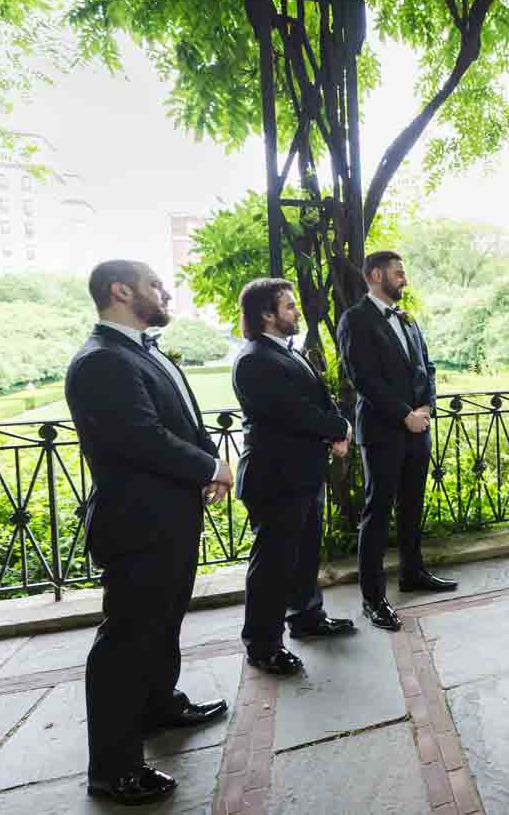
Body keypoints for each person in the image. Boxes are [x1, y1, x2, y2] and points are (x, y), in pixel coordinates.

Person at [65, 261, 231, 805]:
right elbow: (142, 437)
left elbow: (181, 420)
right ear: (121, 291)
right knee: (126, 644)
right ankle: (113, 770)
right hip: (139, 523)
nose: (165, 292)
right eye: (156, 285)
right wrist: (211, 468)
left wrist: (206, 457)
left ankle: (161, 706)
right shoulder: (101, 361)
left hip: (170, 517)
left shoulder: (141, 349)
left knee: (163, 624)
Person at [233, 279, 357, 676]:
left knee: (304, 555)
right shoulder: (254, 359)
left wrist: (335, 428)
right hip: (275, 476)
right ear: (266, 315)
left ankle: (306, 617)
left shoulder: (285, 352)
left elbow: (314, 401)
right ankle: (263, 645)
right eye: (289, 306)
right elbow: (293, 412)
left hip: (302, 472)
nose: (297, 310)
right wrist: (338, 428)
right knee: (273, 565)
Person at [337, 251, 457, 632]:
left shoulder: (408, 318)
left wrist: (427, 408)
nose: (404, 278)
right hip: (384, 431)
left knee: (412, 505)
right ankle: (373, 598)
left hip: (417, 428)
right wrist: (404, 414)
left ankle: (413, 572)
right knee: (377, 513)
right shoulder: (355, 319)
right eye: (397, 273)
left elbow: (427, 367)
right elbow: (364, 378)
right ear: (375, 275)